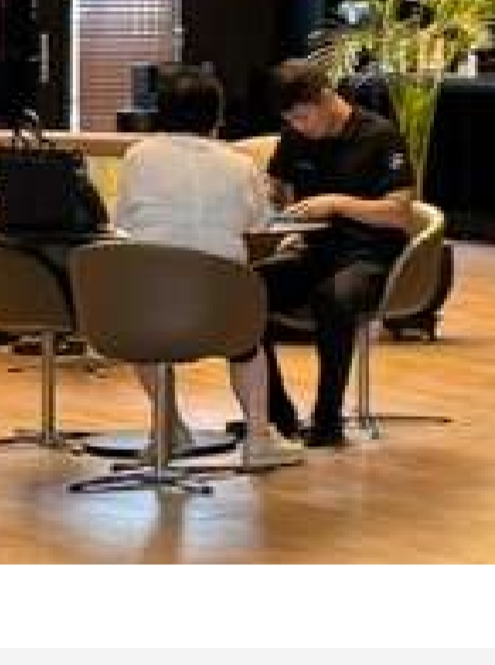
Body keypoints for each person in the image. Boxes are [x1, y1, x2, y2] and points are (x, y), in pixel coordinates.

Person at [112, 64, 303, 470]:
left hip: (146, 311)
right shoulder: (239, 164)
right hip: (221, 312)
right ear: (217, 115)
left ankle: (168, 427)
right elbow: (260, 225)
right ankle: (258, 438)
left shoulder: (137, 157)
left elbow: (123, 221)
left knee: (140, 327)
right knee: (248, 341)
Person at [260, 58, 415, 448]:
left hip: (368, 253)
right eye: (289, 120)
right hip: (312, 250)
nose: (298, 127)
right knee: (246, 293)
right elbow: (274, 187)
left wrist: (336, 204)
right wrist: (272, 204)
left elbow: (399, 213)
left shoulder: (379, 136)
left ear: (326, 97)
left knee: (333, 298)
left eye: (302, 117)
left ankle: (328, 419)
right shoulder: (295, 138)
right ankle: (275, 415)